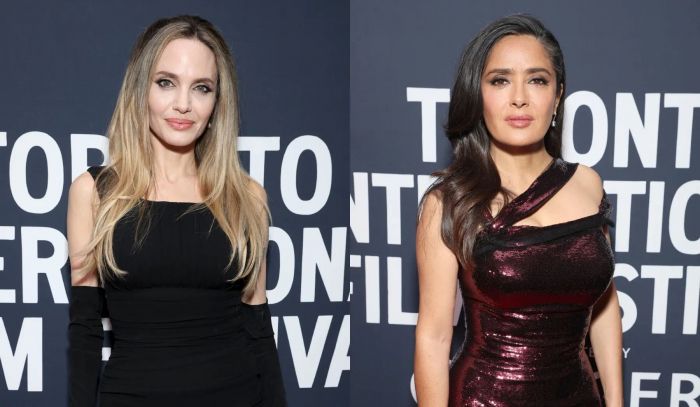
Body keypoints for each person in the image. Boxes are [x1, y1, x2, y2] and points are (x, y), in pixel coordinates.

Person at [67, 15, 287, 406]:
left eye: (202, 88)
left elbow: (257, 325)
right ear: (140, 89)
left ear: (217, 103)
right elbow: (85, 330)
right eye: (166, 82)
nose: (183, 104)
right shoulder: (96, 193)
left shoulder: (247, 197)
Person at [414, 14, 623, 407]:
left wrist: (615, 401)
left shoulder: (588, 183)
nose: (519, 97)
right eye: (500, 80)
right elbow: (434, 337)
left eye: (537, 80)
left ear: (557, 96)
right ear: (477, 94)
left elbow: (604, 306)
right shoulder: (449, 202)